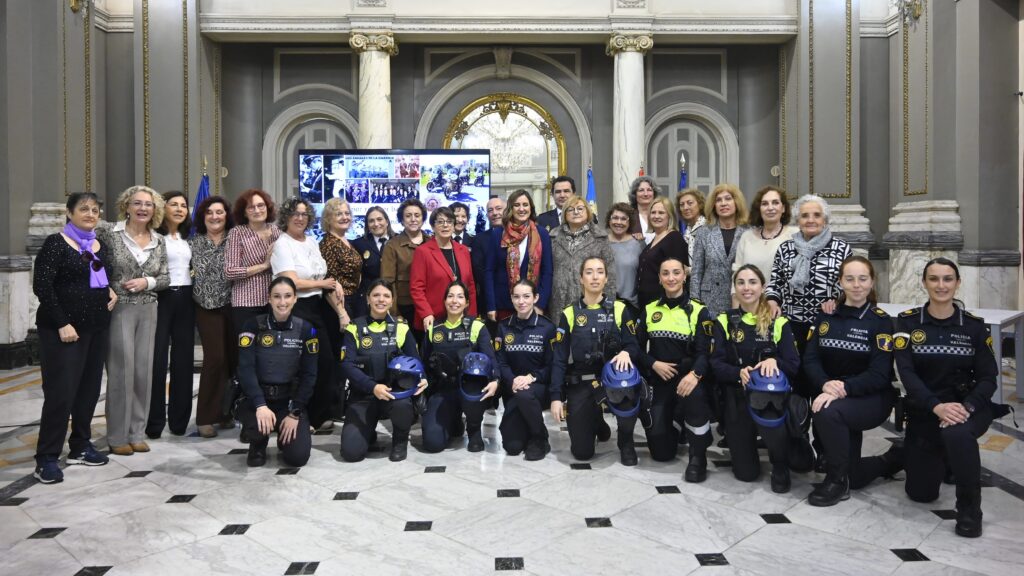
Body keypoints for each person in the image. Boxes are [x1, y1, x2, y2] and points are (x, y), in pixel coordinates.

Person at [895, 258, 998, 538]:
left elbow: (989, 377)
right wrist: (936, 406)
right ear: (924, 283)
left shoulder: (974, 327)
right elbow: (907, 375)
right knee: (921, 494)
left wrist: (967, 407)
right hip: (926, 409)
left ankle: (969, 510)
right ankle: (904, 456)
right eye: (934, 279)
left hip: (968, 408)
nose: (941, 285)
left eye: (948, 279)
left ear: (957, 283)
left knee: (957, 434)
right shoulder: (906, 322)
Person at [32, 192, 118, 483]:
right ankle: (46, 457)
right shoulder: (56, 244)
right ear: (69, 213)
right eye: (84, 209)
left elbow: (99, 276)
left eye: (95, 210)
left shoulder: (97, 244)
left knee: (88, 390)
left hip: (96, 327)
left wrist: (110, 290)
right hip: (63, 331)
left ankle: (80, 445)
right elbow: (43, 287)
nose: (90, 214)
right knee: (61, 393)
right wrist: (63, 323)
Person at [804, 256, 902, 506]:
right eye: (850, 278)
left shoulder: (880, 321)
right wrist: (826, 384)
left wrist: (841, 389)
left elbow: (879, 374)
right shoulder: (826, 315)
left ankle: (837, 482)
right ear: (840, 282)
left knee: (827, 412)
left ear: (871, 282)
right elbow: (811, 360)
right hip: (834, 393)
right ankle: (891, 460)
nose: (856, 285)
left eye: (862, 279)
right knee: (857, 475)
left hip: (870, 398)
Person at [709, 265, 801, 492]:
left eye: (752, 282)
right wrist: (736, 373)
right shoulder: (724, 321)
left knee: (800, 462)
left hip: (771, 399)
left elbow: (794, 365)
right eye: (741, 282)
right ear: (735, 288)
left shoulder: (778, 321)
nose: (746, 288)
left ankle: (780, 463)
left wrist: (774, 362)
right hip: (738, 396)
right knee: (746, 474)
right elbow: (716, 363)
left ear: (762, 287)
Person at [96, 185, 170, 456]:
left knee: (142, 372)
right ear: (126, 206)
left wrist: (147, 281)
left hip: (149, 309)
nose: (142, 208)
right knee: (120, 373)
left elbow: (165, 278)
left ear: (155, 210)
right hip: (119, 310)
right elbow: (90, 260)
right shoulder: (108, 233)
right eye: (137, 203)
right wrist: (104, 286)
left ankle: (137, 432)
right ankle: (116, 436)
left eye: (148, 205)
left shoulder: (159, 240)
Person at [550, 257, 642, 465]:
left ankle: (626, 442)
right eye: (589, 272)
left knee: (629, 389)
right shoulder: (569, 313)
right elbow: (559, 359)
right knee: (582, 453)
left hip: (615, 381)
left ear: (606, 278)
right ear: (581, 278)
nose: (594, 276)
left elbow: (633, 345)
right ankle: (597, 421)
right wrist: (556, 397)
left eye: (600, 271)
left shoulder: (620, 309)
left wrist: (627, 352)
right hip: (583, 382)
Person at [636, 257, 714, 481]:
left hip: (688, 378)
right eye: (666, 273)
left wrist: (695, 375)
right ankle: (677, 422)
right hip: (660, 380)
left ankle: (698, 457)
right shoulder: (650, 309)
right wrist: (652, 363)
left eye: (676, 273)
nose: (671, 278)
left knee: (694, 398)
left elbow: (705, 352)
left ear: (684, 275)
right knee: (661, 453)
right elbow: (636, 348)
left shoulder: (699, 310)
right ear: (660, 279)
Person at [271, 197, 343, 430]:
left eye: (304, 214)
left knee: (326, 362)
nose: (300, 218)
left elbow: (322, 274)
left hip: (317, 306)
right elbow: (291, 282)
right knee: (307, 364)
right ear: (286, 217)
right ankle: (302, 416)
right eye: (295, 214)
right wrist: (324, 284)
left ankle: (319, 414)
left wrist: (332, 284)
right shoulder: (283, 244)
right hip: (297, 308)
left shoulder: (311, 241)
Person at [338, 280, 427, 462]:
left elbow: (415, 359)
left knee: (403, 404)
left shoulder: (401, 328)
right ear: (368, 299)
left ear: (392, 301)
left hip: (394, 393)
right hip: (364, 395)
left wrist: (422, 377)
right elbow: (347, 365)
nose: (381, 299)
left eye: (386, 296)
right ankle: (367, 433)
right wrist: (372, 387)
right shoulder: (354, 328)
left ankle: (400, 441)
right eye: (376, 295)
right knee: (351, 453)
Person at [235, 277, 316, 468]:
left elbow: (309, 375)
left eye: (288, 296)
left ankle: (284, 437)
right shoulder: (252, 326)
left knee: (298, 458)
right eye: (277, 296)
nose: (282, 302)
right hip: (258, 400)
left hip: (288, 401)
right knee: (255, 429)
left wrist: (295, 412)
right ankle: (258, 445)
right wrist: (260, 405)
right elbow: (245, 369)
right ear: (269, 299)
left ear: (295, 298)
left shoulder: (306, 330)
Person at [420, 281, 497, 452]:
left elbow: (492, 360)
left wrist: (496, 380)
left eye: (460, 297)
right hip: (443, 390)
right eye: (450, 296)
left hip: (471, 390)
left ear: (467, 303)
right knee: (432, 444)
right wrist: (423, 382)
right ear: (444, 300)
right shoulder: (434, 329)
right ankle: (454, 422)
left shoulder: (477, 326)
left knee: (475, 388)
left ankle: (474, 430)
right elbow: (423, 363)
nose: (454, 301)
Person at [147, 191, 195, 439]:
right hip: (161, 297)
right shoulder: (153, 237)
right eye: (173, 204)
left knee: (183, 360)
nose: (179, 209)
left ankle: (179, 421)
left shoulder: (188, 238)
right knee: (157, 361)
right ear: (162, 208)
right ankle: (154, 422)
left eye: (183, 205)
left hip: (186, 298)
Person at [189, 195, 236, 438]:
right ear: (202, 216)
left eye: (220, 212)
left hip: (234, 305)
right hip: (205, 307)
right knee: (215, 359)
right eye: (210, 212)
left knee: (231, 359)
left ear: (227, 215)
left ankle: (226, 412)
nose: (215, 216)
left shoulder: (236, 239)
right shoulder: (194, 243)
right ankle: (205, 417)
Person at [495, 280, 557, 460]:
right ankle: (529, 427)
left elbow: (551, 365)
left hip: (538, 388)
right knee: (512, 447)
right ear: (512, 299)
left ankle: (540, 438)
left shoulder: (547, 327)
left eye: (526, 296)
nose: (521, 301)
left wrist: (531, 377)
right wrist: (513, 379)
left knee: (525, 393)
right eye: (516, 297)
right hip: (512, 389)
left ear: (535, 298)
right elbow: (501, 362)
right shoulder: (503, 326)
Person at [483, 189, 553, 320]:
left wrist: (540, 304)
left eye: (525, 205)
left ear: (531, 208)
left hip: (533, 305)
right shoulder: (498, 234)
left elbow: (547, 271)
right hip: (503, 305)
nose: (521, 209)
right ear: (510, 208)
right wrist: (491, 305)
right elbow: (489, 271)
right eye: (517, 205)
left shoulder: (541, 234)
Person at [547, 194, 617, 321]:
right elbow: (546, 271)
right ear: (564, 214)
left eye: (580, 208)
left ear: (588, 212)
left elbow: (610, 275)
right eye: (570, 209)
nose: (576, 212)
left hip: (591, 302)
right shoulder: (553, 237)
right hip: (559, 302)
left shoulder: (600, 238)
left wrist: (608, 305)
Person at [409, 206, 477, 334]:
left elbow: (471, 286)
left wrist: (472, 314)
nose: (445, 225)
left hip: (461, 316)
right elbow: (416, 288)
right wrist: (426, 313)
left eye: (449, 221)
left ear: (453, 225)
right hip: (434, 318)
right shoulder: (422, 252)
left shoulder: (463, 250)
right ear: (433, 226)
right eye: (440, 222)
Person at [225, 189, 281, 336]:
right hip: (245, 303)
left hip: (273, 301)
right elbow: (230, 271)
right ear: (244, 212)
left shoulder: (277, 232)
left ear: (267, 208)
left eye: (261, 205)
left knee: (270, 350)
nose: (257, 210)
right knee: (247, 350)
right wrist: (264, 266)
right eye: (251, 207)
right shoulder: (237, 233)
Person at [690, 184, 750, 318]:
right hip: (709, 302)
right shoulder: (704, 233)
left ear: (737, 202)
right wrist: (695, 304)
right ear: (713, 206)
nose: (723, 203)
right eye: (718, 200)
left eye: (728, 199)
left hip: (740, 299)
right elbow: (696, 273)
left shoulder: (748, 232)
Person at [381, 198, 429, 334]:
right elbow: (387, 282)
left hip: (430, 305)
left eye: (417, 215)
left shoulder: (432, 242)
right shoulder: (392, 245)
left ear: (423, 219)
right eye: (408, 216)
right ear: (402, 220)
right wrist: (394, 313)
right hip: (405, 307)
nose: (413, 219)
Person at [734, 186, 797, 281]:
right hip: (749, 295)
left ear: (783, 208)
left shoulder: (796, 235)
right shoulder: (746, 237)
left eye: (775, 203)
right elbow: (737, 271)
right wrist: (735, 295)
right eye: (764, 204)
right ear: (759, 209)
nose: (770, 208)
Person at [635, 197, 688, 308]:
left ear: (669, 216)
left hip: (663, 303)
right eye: (653, 212)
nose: (656, 216)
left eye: (661, 213)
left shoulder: (674, 238)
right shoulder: (654, 239)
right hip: (646, 302)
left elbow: (679, 274)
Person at [350, 206, 392, 319]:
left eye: (379, 219)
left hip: (392, 297)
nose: (376, 223)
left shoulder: (397, 240)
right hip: (366, 299)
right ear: (367, 225)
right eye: (371, 221)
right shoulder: (358, 244)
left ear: (387, 221)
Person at [605, 203, 645, 310]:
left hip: (630, 306)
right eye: (615, 218)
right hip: (604, 305)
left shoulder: (639, 243)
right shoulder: (600, 243)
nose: (619, 222)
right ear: (609, 220)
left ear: (630, 222)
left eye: (623, 219)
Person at [676, 188, 707, 261]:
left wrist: (689, 270)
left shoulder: (708, 227)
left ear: (700, 205)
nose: (685, 208)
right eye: (682, 205)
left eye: (690, 203)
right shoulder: (688, 229)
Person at [627, 176, 660, 242]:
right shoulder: (628, 215)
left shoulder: (662, 214)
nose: (646, 194)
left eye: (649, 190)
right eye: (641, 190)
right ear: (634, 194)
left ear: (654, 194)